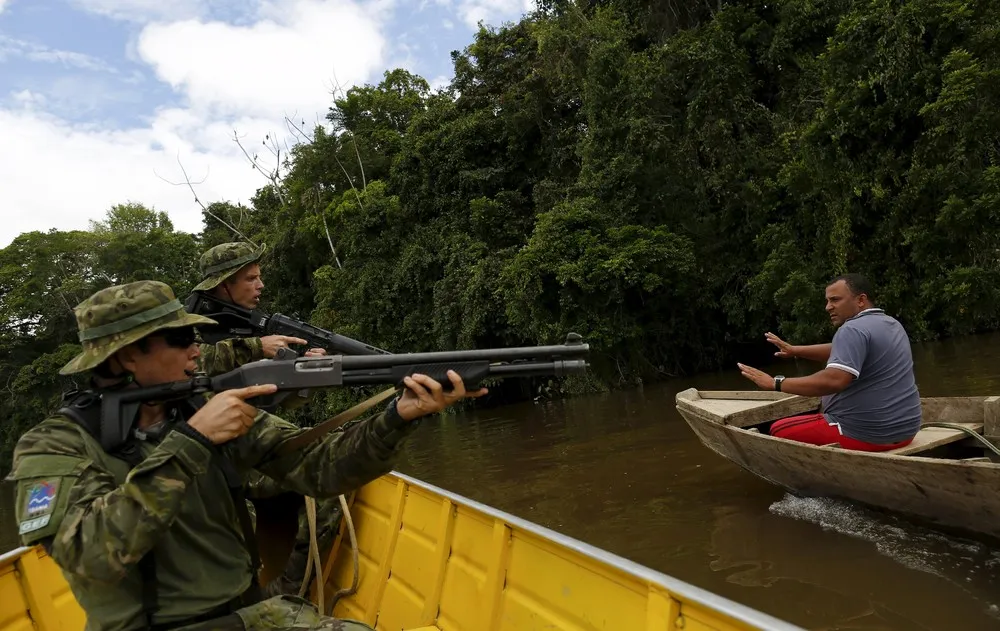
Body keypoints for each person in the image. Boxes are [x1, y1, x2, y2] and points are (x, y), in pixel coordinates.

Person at [7, 280, 486, 631]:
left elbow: (317, 468)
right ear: (126, 356)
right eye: (180, 338)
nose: (198, 346)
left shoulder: (198, 408)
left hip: (249, 616)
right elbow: (89, 556)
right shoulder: (53, 445)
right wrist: (193, 442)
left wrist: (398, 417)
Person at [736, 273, 921, 451]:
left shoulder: (852, 329)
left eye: (835, 300)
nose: (828, 307)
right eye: (827, 301)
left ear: (861, 300)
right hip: (907, 430)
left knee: (778, 429)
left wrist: (775, 383)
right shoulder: (890, 323)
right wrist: (795, 350)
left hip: (870, 435)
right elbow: (840, 349)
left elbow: (834, 380)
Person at [191, 241, 325, 375]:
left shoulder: (245, 319)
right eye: (251, 279)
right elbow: (194, 362)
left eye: (259, 277)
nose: (261, 285)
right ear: (223, 285)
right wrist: (257, 347)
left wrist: (299, 358)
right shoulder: (188, 325)